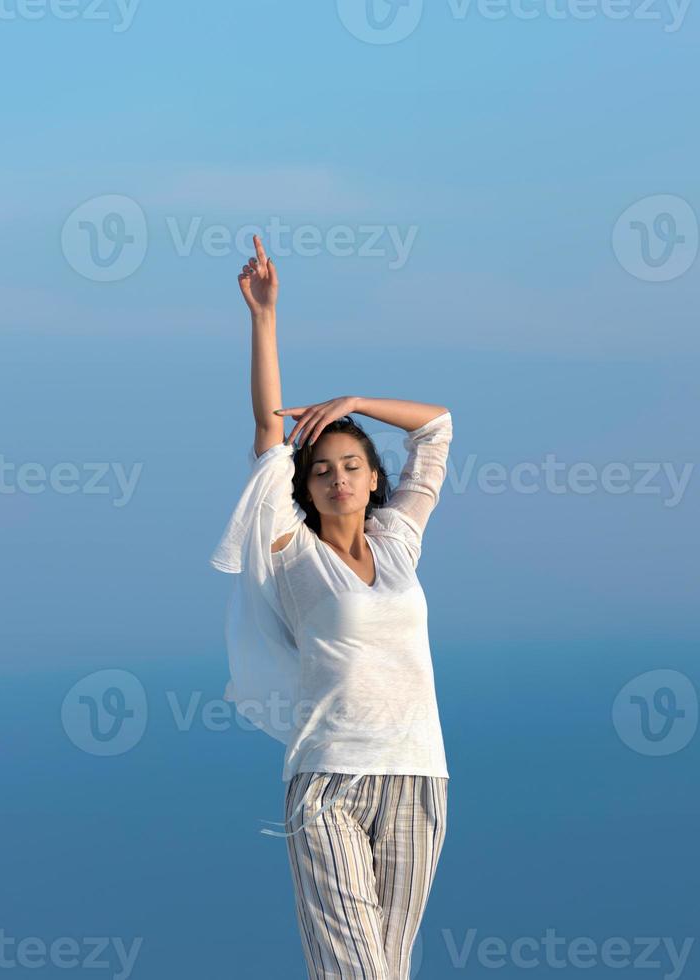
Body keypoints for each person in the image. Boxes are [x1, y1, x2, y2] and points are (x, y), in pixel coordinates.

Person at [209, 234, 452, 980]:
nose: (337, 478)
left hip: (418, 776)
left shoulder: (398, 541)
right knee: (356, 972)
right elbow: (266, 435)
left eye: (350, 465)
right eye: (321, 471)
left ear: (372, 479)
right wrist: (264, 318)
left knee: (391, 967)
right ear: (304, 489)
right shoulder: (292, 553)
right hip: (329, 780)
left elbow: (436, 426)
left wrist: (352, 403)